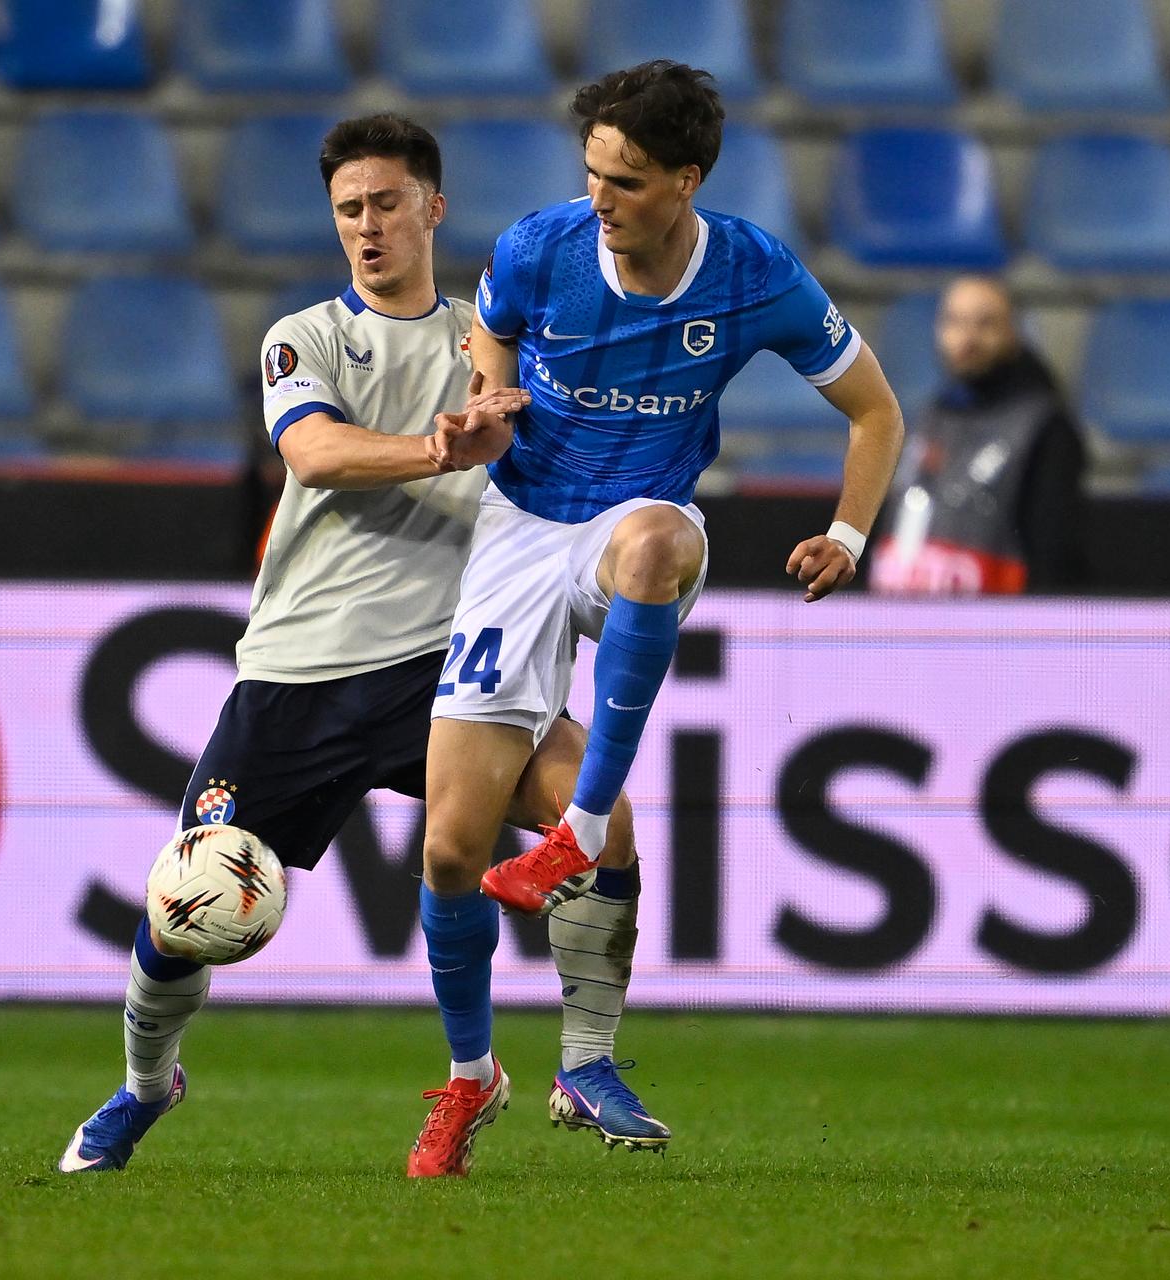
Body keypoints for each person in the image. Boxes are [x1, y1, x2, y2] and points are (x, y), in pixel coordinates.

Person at [56, 114, 644, 1178]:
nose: (366, 227)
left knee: (601, 823)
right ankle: (146, 1083)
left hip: (449, 668)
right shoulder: (307, 336)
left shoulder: (495, 344)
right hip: (301, 674)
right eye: (348, 210)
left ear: (434, 208)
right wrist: (440, 448)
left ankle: (573, 1063)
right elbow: (315, 453)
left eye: (385, 204)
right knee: (187, 908)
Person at [409, 61, 907, 1173]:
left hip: (637, 516)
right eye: (593, 172)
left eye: (627, 181)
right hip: (519, 527)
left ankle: (584, 921)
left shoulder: (753, 274)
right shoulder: (538, 247)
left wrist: (849, 532)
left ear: (688, 181)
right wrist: (488, 404)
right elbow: (492, 334)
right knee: (449, 848)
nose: (601, 198)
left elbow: (876, 411)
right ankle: (472, 1075)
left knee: (655, 545)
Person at [869, 275, 1086, 594]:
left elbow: (1051, 554)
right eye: (954, 321)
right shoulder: (931, 416)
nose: (967, 338)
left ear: (1013, 332)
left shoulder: (1045, 428)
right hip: (899, 616)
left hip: (994, 621)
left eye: (985, 323)